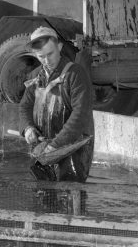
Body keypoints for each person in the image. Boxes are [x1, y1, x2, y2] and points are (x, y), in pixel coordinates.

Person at [19, 26, 94, 183]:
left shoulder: (75, 74)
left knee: (71, 196)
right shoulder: (35, 76)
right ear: (34, 55)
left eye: (50, 54)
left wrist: (56, 145)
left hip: (72, 150)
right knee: (43, 197)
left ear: (59, 47)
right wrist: (27, 128)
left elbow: (80, 114)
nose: (47, 61)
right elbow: (25, 106)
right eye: (41, 57)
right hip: (43, 148)